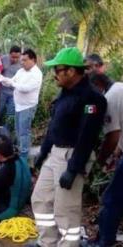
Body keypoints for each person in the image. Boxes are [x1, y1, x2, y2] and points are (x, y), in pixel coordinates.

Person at [29, 47, 107, 247]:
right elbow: (54, 126)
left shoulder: (92, 99)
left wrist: (73, 169)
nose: (54, 74)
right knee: (40, 199)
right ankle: (47, 242)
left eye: (58, 69)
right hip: (54, 154)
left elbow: (87, 136)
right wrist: (42, 153)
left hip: (72, 157)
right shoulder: (65, 93)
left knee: (65, 210)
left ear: (71, 71)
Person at [88, 73, 123, 247]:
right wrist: (117, 152)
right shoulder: (120, 88)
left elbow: (112, 135)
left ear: (98, 85)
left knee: (111, 198)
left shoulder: (109, 98)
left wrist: (99, 161)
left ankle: (104, 242)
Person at [0, 49, 42, 159]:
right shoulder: (21, 71)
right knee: (18, 131)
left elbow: (25, 88)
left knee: (24, 132)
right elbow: (12, 81)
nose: (22, 62)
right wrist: (2, 79)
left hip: (27, 107)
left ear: (33, 60)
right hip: (18, 105)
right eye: (21, 60)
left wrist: (11, 82)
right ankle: (20, 151)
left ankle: (23, 156)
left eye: (25, 60)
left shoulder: (36, 74)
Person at [0, 45, 22, 128]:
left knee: (10, 114)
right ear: (9, 54)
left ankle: (6, 132)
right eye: (13, 57)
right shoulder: (3, 59)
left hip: (14, 93)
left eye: (17, 58)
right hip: (2, 91)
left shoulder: (22, 64)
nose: (15, 59)